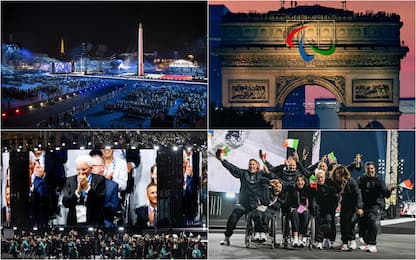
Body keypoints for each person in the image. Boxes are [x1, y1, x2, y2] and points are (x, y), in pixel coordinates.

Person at [216, 149, 267, 246]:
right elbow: (232, 168)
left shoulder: (261, 175)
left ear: (257, 166)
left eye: (253, 164)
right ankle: (227, 238)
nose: (251, 166)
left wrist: (264, 161)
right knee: (233, 217)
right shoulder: (244, 173)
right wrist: (222, 160)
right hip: (243, 204)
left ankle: (258, 234)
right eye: (250, 164)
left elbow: (271, 173)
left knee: (258, 215)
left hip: (255, 205)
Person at [358, 161, 395, 253]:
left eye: (372, 168)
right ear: (365, 170)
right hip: (365, 204)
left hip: (376, 205)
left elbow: (386, 195)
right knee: (362, 223)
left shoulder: (380, 181)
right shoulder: (362, 179)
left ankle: (372, 244)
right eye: (368, 169)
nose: (370, 170)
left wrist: (390, 190)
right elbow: (357, 192)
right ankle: (367, 243)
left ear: (374, 169)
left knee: (372, 220)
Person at [62, 154, 106, 226]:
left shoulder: (99, 180)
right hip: (74, 221)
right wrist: (78, 191)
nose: (81, 172)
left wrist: (87, 188)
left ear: (91, 168)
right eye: (78, 169)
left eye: (84, 169)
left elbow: (100, 202)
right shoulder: (70, 180)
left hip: (93, 220)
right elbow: (65, 203)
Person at [329, 165, 363, 251]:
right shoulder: (335, 182)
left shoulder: (351, 181)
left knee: (350, 222)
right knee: (343, 223)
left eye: (339, 173)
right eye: (336, 173)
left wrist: (359, 207)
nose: (337, 175)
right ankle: (344, 242)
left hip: (353, 206)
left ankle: (352, 240)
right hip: (343, 206)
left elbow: (358, 194)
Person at [309, 169, 338, 249]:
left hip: (329, 210)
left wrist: (331, 210)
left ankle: (328, 239)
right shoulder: (312, 188)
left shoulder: (331, 189)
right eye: (318, 178)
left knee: (329, 219)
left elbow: (334, 201)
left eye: (321, 177)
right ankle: (319, 241)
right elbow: (312, 200)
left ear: (324, 178)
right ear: (316, 178)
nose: (320, 179)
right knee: (318, 219)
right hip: (318, 210)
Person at [89, 151, 119, 228]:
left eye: (95, 166)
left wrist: (99, 201)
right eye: (90, 166)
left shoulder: (112, 186)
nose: (92, 168)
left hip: (105, 222)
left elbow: (114, 209)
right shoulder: (83, 183)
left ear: (103, 167)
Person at [286, 174, 312, 247]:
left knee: (305, 213)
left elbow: (310, 203)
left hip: (304, 209)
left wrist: (306, 208)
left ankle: (301, 237)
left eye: (301, 180)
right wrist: (291, 208)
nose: (300, 182)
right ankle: (295, 238)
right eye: (298, 180)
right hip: (294, 209)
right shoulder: (292, 190)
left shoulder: (308, 190)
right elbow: (288, 202)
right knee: (294, 213)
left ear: (305, 181)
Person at [30, 160, 48, 227]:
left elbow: (41, 196)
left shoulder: (41, 182)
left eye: (39, 167)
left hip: (37, 215)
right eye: (37, 167)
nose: (39, 170)